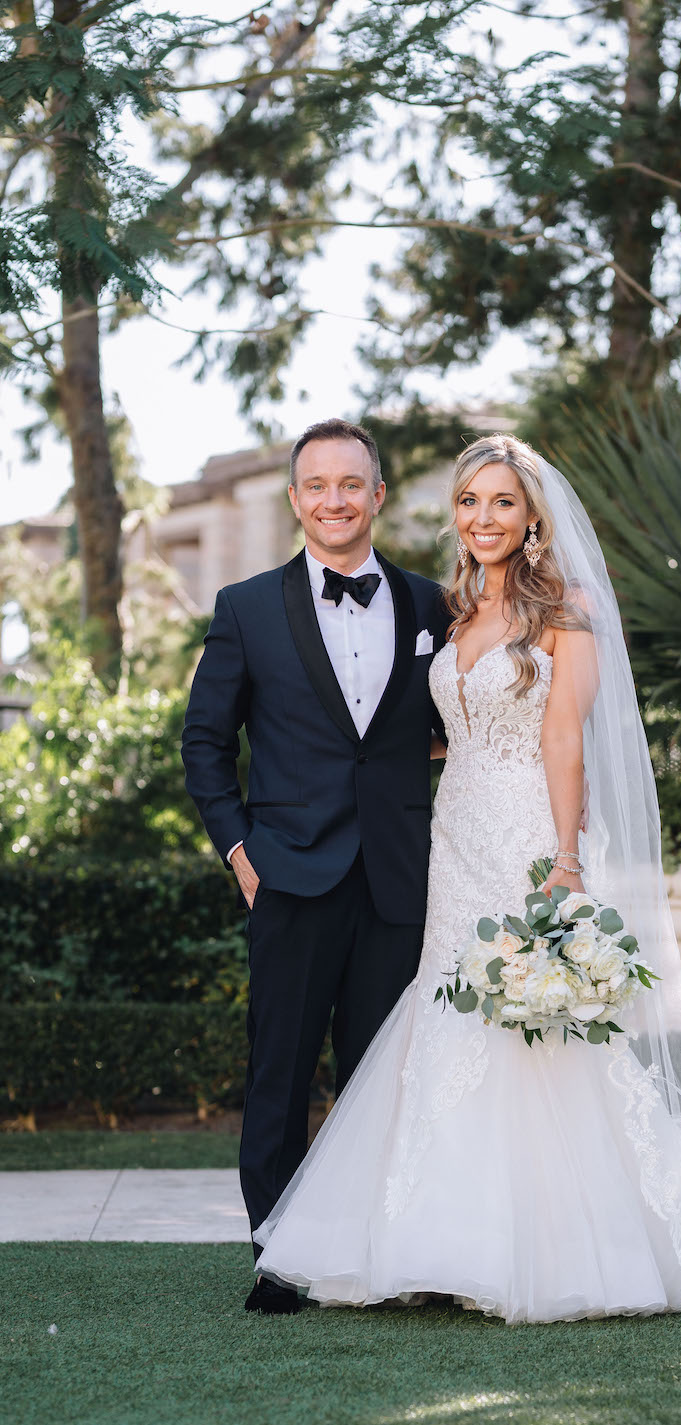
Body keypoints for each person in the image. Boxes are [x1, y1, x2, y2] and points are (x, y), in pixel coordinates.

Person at [251, 432, 681, 1323]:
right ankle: (430, 1243)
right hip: (454, 832)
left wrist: (564, 856)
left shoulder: (570, 608)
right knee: (448, 1016)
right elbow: (431, 727)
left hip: (526, 832)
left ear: (533, 517)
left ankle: (556, 1242)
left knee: (534, 1024)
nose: (484, 518)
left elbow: (564, 735)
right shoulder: (453, 607)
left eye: (503, 502)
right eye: (470, 502)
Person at [181, 418, 450, 1315]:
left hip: (400, 881)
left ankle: (376, 1249)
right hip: (288, 874)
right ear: (298, 499)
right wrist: (239, 849)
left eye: (352, 483)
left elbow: (458, 728)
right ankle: (279, 1259)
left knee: (383, 1076)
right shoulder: (247, 607)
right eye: (318, 485)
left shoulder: (430, 605)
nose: (335, 499)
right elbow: (205, 744)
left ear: (377, 494)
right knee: (281, 1071)